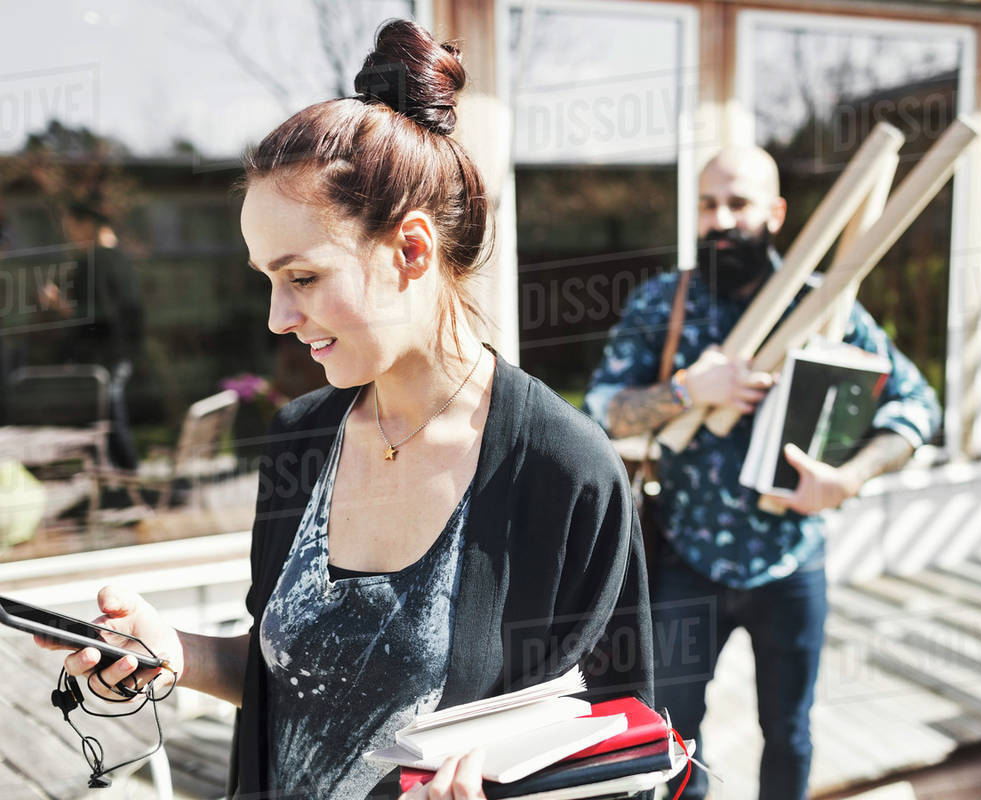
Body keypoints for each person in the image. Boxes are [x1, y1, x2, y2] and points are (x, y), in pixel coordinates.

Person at [39, 20, 652, 800]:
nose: (276, 317)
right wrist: (174, 653)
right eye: (267, 278)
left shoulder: (564, 472)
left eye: (301, 276)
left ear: (412, 252)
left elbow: (628, 749)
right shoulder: (302, 439)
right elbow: (292, 678)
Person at [585, 146, 941, 799]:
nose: (721, 218)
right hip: (684, 560)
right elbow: (603, 411)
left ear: (775, 213)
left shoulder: (825, 306)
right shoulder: (663, 303)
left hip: (790, 562)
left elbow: (917, 406)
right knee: (674, 740)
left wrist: (851, 477)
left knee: (790, 732)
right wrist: (691, 390)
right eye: (708, 203)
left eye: (739, 203)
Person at [39, 200, 144, 470]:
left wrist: (58, 304)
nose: (69, 235)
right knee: (109, 416)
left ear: (87, 224)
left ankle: (125, 476)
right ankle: (124, 478)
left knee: (106, 419)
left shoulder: (92, 261)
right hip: (123, 352)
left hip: (101, 356)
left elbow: (93, 317)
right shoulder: (121, 257)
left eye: (71, 228)